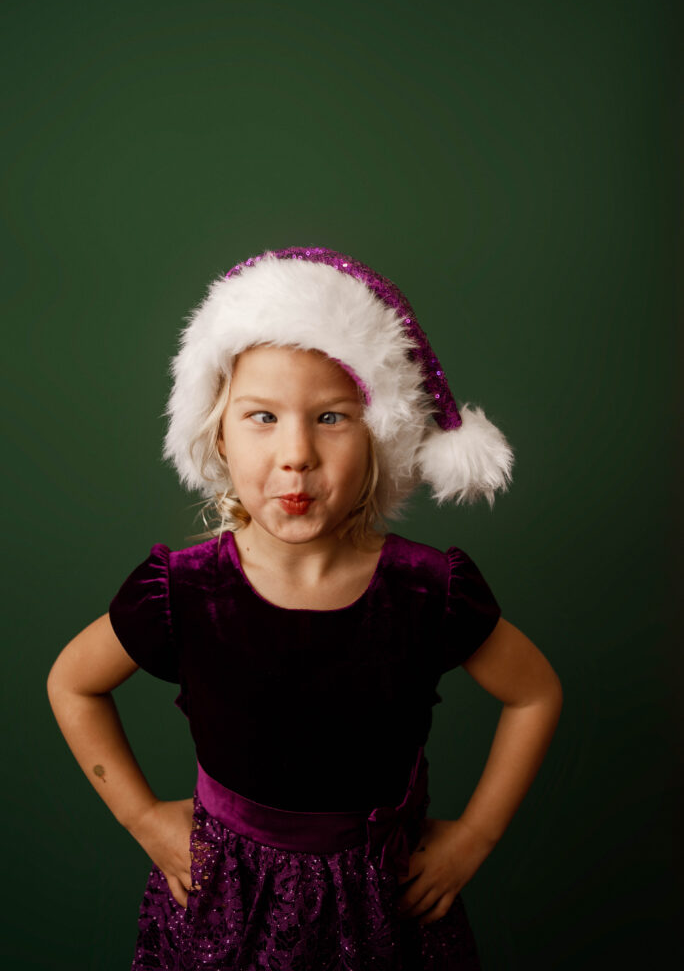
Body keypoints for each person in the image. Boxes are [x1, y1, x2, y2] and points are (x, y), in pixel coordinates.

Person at [47, 247, 563, 970]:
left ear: (380, 438)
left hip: (386, 911)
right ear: (218, 434)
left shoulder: (427, 591)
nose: (297, 454)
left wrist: (473, 837)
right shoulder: (184, 591)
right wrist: (142, 817)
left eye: (330, 417)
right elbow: (72, 682)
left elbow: (535, 692)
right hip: (227, 907)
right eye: (262, 416)